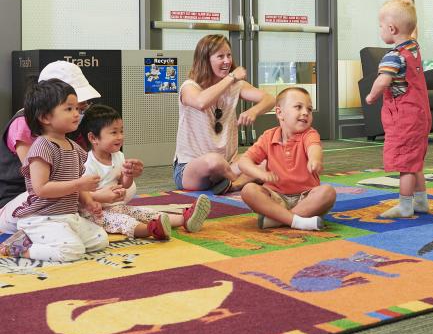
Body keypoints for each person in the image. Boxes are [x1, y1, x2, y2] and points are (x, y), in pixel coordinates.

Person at [0, 79, 108, 261]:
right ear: (45, 117)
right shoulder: (42, 147)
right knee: (73, 251)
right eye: (69, 109)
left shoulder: (74, 147)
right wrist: (78, 184)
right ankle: (19, 249)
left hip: (67, 216)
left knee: (101, 239)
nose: (77, 114)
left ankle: (31, 240)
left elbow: (78, 185)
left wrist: (88, 201)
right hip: (41, 217)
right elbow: (41, 188)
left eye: (77, 109)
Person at [80, 104, 211, 240]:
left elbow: (124, 184)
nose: (120, 137)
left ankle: (185, 220)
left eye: (121, 131)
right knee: (124, 222)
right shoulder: (87, 163)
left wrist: (128, 175)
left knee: (144, 212)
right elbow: (81, 196)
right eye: (114, 132)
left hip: (116, 206)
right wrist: (101, 198)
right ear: (93, 138)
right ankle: (151, 230)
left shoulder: (117, 155)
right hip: (94, 213)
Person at [173, 34, 275, 195]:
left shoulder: (236, 86)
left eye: (228, 55)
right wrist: (232, 77)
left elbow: (269, 99)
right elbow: (201, 102)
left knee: (269, 159)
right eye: (220, 56)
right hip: (193, 169)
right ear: (206, 60)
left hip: (230, 163)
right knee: (214, 161)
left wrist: (254, 111)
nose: (227, 61)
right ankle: (240, 179)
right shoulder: (189, 87)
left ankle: (232, 185)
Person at [365, 0, 432, 218]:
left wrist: (371, 96)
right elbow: (413, 31)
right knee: (415, 161)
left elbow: (383, 81)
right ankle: (421, 202)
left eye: (381, 26)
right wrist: (410, 9)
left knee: (405, 163)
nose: (380, 30)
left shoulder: (393, 56)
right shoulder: (413, 48)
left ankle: (405, 205)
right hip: (421, 116)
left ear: (392, 28)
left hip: (404, 118)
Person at [238, 87, 336, 231]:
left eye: (309, 109)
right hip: (276, 198)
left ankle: (279, 219)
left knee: (328, 192)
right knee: (248, 190)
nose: (305, 112)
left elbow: (314, 148)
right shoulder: (268, 136)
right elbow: (243, 161)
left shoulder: (310, 134)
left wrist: (315, 160)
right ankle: (297, 221)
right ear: (279, 113)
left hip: (306, 198)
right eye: (298, 107)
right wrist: (260, 174)